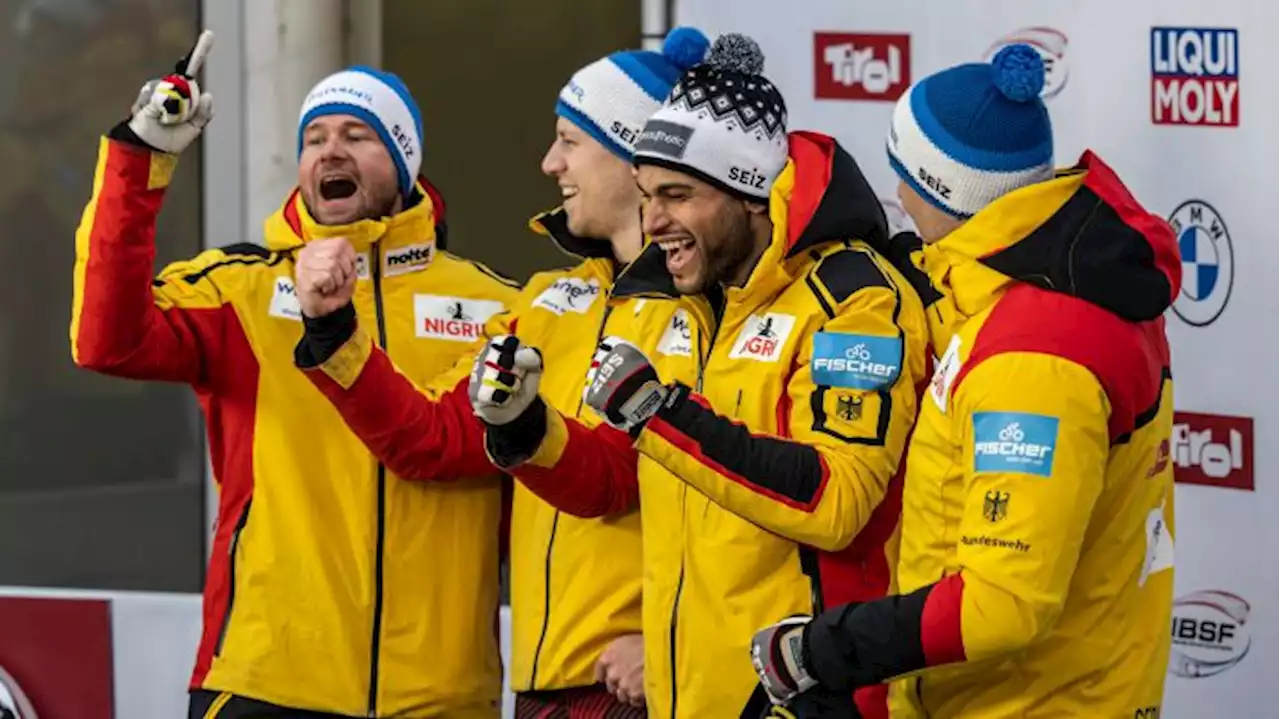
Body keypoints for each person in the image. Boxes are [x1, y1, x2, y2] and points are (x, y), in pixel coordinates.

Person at [469, 34, 931, 718]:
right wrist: (526, 427)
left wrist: (662, 412)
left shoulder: (853, 296)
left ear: (748, 192)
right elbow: (624, 473)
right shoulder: (695, 304)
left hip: (804, 697)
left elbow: (837, 501)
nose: (654, 221)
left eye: (678, 196)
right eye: (648, 194)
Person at [69, 31, 520, 718]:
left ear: (405, 165)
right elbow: (107, 341)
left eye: (359, 135)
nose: (330, 150)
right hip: (266, 679)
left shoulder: (497, 306)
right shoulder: (242, 288)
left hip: (440, 695)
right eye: (315, 138)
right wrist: (143, 160)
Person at [290, 28, 715, 717]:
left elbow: (715, 503)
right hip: (546, 680)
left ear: (634, 154)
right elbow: (428, 439)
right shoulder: (548, 301)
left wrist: (674, 639)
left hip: (648, 681)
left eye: (569, 141)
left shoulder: (708, 312)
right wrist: (335, 330)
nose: (550, 163)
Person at [748, 45, 1180, 718]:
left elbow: (1004, 599)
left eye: (904, 175)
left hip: (1029, 702)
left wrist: (825, 649)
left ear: (936, 186)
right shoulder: (1049, 281)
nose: (896, 195)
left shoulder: (1036, 353)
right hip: (1046, 689)